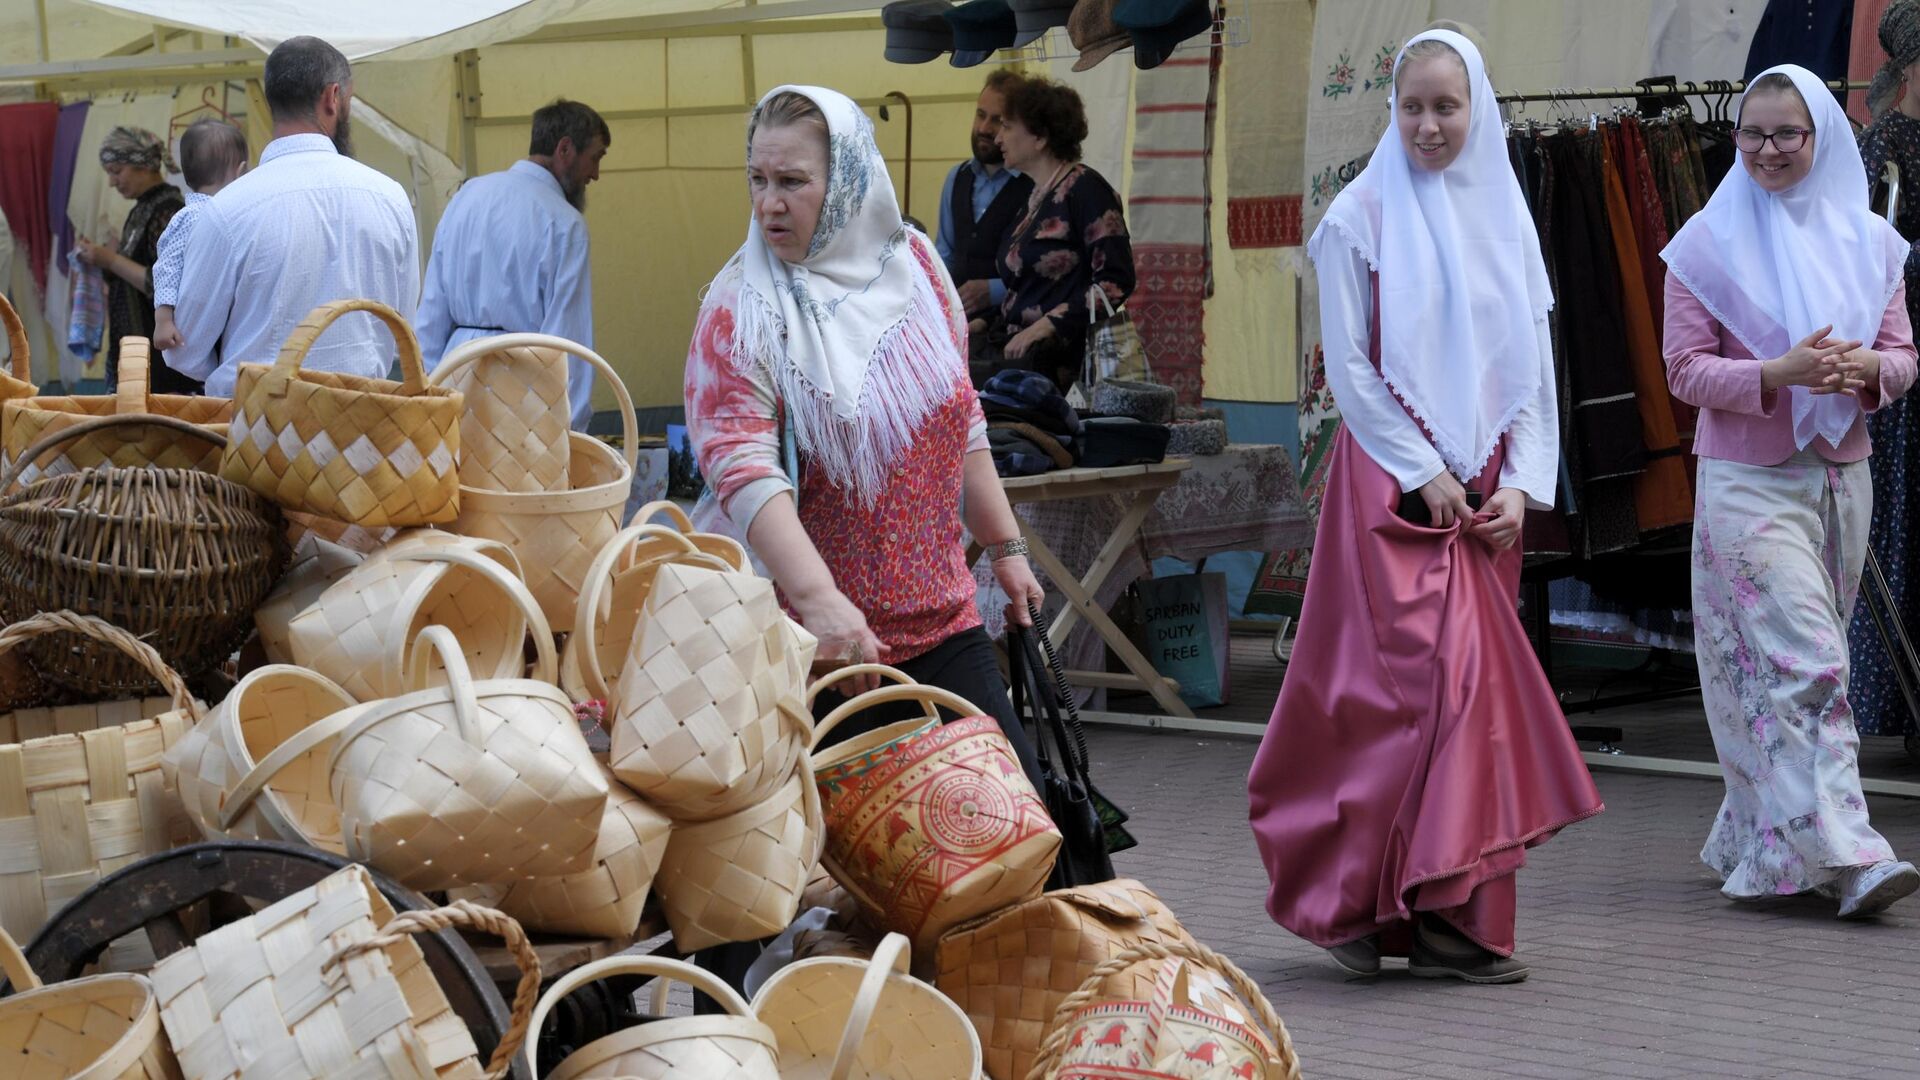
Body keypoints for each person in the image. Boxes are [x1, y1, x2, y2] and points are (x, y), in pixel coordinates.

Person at [1246, 29, 1602, 985]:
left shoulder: (1507, 217)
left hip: (1485, 493)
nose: (1429, 125)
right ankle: (1362, 899)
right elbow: (1351, 369)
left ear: (1477, 107)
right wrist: (1421, 470)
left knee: (1469, 706)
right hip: (1392, 494)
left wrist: (1523, 485)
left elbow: (1530, 368)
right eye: (1412, 108)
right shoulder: (1357, 218)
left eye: (1446, 107)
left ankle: (1451, 918)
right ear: (1390, 112)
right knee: (1405, 698)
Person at [684, 84, 1048, 997]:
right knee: (758, 889)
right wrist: (820, 602)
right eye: (758, 180)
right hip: (809, 650)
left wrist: (1004, 550)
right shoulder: (741, 308)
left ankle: (1044, 1021)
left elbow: (958, 414)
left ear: (847, 181)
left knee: (1025, 838)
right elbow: (742, 468)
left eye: (794, 182)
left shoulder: (915, 267)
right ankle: (686, 1037)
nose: (771, 202)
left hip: (942, 620)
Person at [1664, 65, 1920, 918]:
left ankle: (1766, 846)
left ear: (1821, 137)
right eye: (1753, 134)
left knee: (1782, 668)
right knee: (1807, 663)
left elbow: (1904, 357)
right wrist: (1777, 373)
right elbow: (1683, 370)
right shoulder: (1704, 243)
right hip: (1748, 479)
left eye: (1787, 134)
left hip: (1842, 475)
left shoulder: (1871, 243)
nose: (1768, 150)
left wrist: (1866, 368)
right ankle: (1853, 853)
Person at [169, 36, 417, 396]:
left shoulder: (226, 208)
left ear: (273, 100)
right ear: (332, 98)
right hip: (365, 423)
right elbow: (400, 329)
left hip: (259, 428)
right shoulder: (389, 197)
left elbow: (185, 352)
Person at [418, 99, 609, 431]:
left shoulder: (466, 197)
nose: (594, 174)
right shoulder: (564, 223)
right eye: (594, 158)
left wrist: (431, 393)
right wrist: (569, 433)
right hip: (522, 401)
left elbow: (431, 313)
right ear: (565, 149)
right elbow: (567, 343)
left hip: (452, 385)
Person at [1853, 0, 1920, 748]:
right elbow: (1872, 263)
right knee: (1902, 535)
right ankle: (1897, 704)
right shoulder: (1885, 151)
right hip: (1906, 373)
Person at [978, 75, 1133, 391]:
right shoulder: (1035, 199)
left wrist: (1045, 327)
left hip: (1065, 370)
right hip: (1022, 362)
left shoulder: (1086, 191)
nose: (997, 138)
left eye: (1007, 126)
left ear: (1039, 137)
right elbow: (1028, 287)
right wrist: (982, 323)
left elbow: (1115, 282)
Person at [74, 127, 190, 389]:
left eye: (116, 171)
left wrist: (110, 260)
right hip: (136, 353)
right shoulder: (141, 210)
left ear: (143, 165)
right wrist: (100, 257)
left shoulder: (168, 212)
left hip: (158, 363)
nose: (112, 182)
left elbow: (164, 285)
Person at [936, 70, 1034, 324]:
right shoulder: (956, 177)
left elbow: (1046, 271)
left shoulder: (1035, 185)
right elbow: (944, 254)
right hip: (960, 327)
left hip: (1013, 329)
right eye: (980, 115)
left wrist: (994, 291)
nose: (983, 128)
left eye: (997, 121)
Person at [151, 119, 248, 360]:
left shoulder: (221, 215)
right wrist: (163, 319)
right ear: (241, 172)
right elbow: (167, 267)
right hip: (193, 325)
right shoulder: (192, 218)